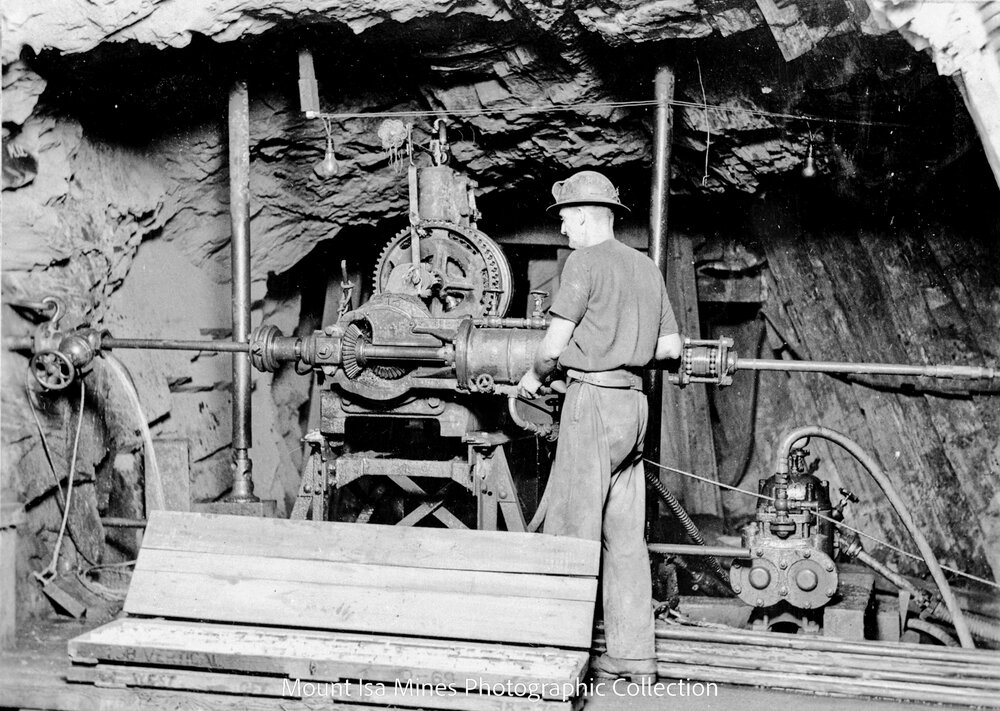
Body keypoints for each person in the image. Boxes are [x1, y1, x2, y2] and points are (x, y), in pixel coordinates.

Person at [518, 170, 681, 682]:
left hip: (591, 402)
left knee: (572, 529)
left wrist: (533, 376)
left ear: (585, 215)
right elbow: (671, 349)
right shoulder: (646, 268)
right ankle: (635, 659)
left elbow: (551, 347)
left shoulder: (584, 263)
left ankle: (560, 660)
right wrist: (623, 347)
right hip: (634, 406)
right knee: (626, 536)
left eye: (566, 219)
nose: (564, 229)